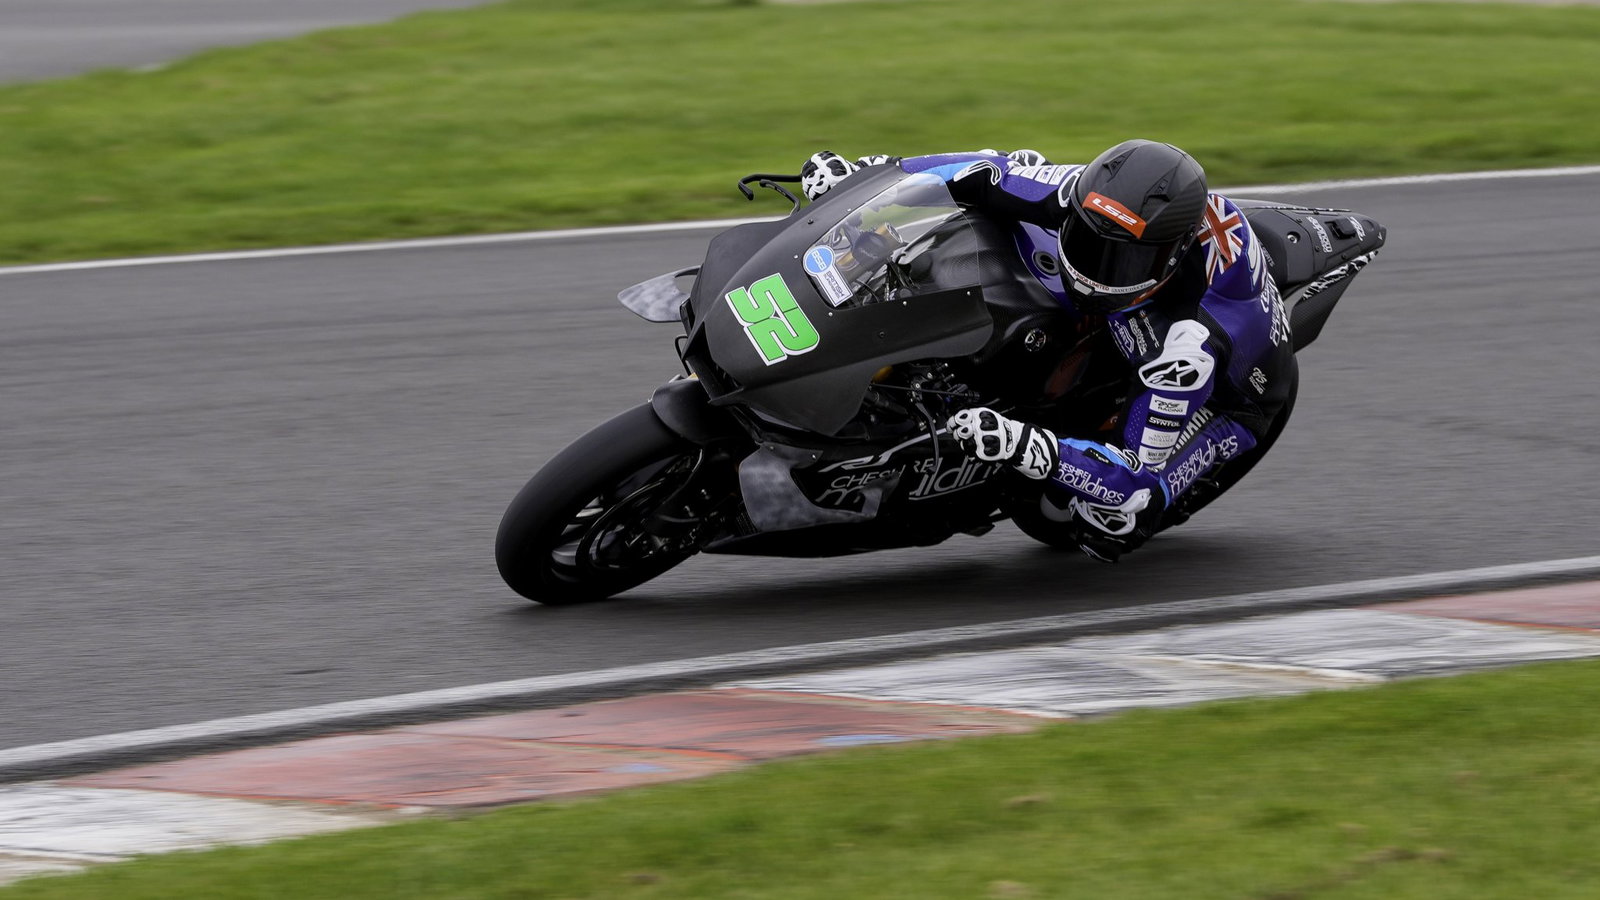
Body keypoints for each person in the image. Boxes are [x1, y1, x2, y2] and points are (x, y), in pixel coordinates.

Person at [799, 141, 1296, 562]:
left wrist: (1018, 443)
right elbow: (982, 169)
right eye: (1087, 240)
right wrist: (872, 178)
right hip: (1134, 310)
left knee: (1121, 518)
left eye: (1122, 260)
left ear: (1171, 257)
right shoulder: (1081, 194)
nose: (1096, 269)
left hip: (1234, 400)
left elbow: (1133, 477)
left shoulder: (1188, 347)